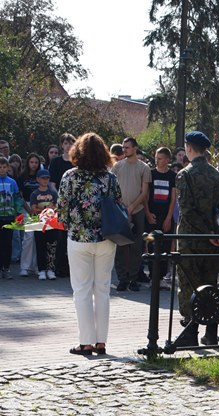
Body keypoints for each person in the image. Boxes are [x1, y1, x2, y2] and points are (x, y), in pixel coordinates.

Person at [57, 132, 122, 357]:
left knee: (82, 291)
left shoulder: (69, 176)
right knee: (102, 290)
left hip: (78, 238)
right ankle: (101, 342)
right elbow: (118, 204)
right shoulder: (110, 178)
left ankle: (85, 342)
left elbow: (62, 210)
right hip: (106, 238)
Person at [176, 130, 219, 346]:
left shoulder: (185, 174)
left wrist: (205, 233)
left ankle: (190, 331)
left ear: (189, 149)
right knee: (211, 284)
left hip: (192, 240)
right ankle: (211, 332)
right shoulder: (216, 175)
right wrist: (218, 235)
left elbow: (187, 210)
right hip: (214, 242)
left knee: (189, 284)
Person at [110, 137, 152, 291]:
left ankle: (133, 278)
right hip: (120, 210)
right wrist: (122, 207)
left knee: (136, 246)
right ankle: (122, 279)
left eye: (127, 147)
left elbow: (144, 192)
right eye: (123, 147)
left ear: (135, 148)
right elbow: (112, 189)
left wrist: (132, 207)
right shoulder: (117, 167)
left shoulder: (144, 168)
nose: (125, 149)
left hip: (138, 210)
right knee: (120, 245)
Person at [147, 147, 177, 288]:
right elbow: (145, 195)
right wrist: (147, 213)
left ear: (167, 160)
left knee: (165, 246)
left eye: (160, 158)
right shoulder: (150, 174)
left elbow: (173, 198)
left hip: (166, 217)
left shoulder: (173, 176)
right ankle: (153, 277)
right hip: (152, 217)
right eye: (156, 158)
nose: (157, 161)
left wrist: (168, 218)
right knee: (150, 243)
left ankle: (162, 278)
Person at [48, 133, 76, 277]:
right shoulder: (56, 162)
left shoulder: (78, 162)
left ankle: (73, 268)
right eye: (65, 143)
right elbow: (52, 183)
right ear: (61, 145)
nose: (68, 146)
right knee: (60, 236)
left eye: (71, 143)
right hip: (60, 202)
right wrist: (60, 197)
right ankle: (60, 266)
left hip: (76, 203)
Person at [18, 153, 44, 276]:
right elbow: (20, 196)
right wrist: (29, 209)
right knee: (28, 237)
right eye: (31, 162)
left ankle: (38, 266)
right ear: (28, 163)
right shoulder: (22, 177)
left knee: (39, 238)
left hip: (40, 208)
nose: (34, 165)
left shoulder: (42, 176)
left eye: (36, 162)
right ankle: (25, 266)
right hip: (27, 207)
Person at [30, 169, 58, 280]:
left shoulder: (53, 193)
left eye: (47, 178)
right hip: (39, 224)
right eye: (42, 178)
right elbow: (33, 209)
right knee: (40, 246)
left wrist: (45, 209)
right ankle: (41, 270)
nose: (45, 180)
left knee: (51, 247)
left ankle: (51, 269)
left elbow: (55, 207)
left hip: (52, 224)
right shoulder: (34, 194)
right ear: (37, 179)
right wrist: (46, 208)